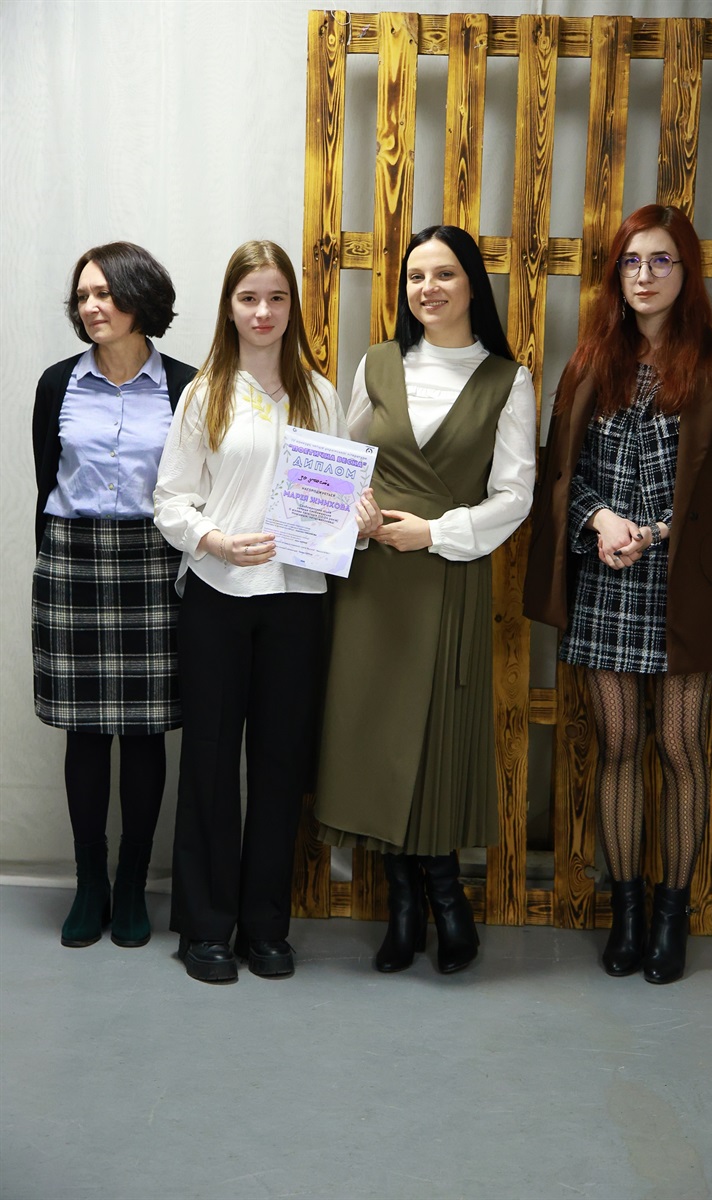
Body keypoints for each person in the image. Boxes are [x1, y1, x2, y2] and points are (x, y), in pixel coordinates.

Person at [524, 204, 712, 984]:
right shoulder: (589, 365)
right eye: (632, 261)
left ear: (686, 272)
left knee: (679, 749)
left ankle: (672, 914)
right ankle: (628, 912)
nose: (644, 275)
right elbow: (561, 473)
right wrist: (600, 520)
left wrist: (658, 530)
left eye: (661, 261)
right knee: (616, 746)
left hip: (686, 584)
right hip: (605, 579)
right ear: (618, 273)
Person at [314, 225, 537, 975]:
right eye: (415, 276)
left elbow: (516, 496)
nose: (428, 288)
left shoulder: (508, 380)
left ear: (473, 284)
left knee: (435, 738)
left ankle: (447, 903)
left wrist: (436, 532)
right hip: (373, 581)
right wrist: (355, 513)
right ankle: (405, 909)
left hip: (448, 575)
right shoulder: (377, 364)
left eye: (444, 274)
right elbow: (345, 465)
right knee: (372, 734)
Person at [154, 240, 362, 984]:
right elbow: (170, 500)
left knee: (280, 764)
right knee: (210, 762)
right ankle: (206, 927)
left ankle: (266, 926)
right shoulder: (203, 393)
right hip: (217, 595)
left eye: (276, 298)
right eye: (249, 299)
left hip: (297, 599)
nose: (264, 312)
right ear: (230, 307)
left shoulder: (320, 395)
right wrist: (213, 539)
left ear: (292, 306)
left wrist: (358, 515)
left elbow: (338, 497)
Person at [32, 242, 196, 949]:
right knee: (85, 731)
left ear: (139, 297)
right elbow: (47, 475)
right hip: (73, 561)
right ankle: (89, 881)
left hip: (154, 561)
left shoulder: (186, 385)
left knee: (145, 730)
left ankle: (132, 882)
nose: (92, 306)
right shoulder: (57, 383)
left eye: (105, 292)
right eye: (84, 296)